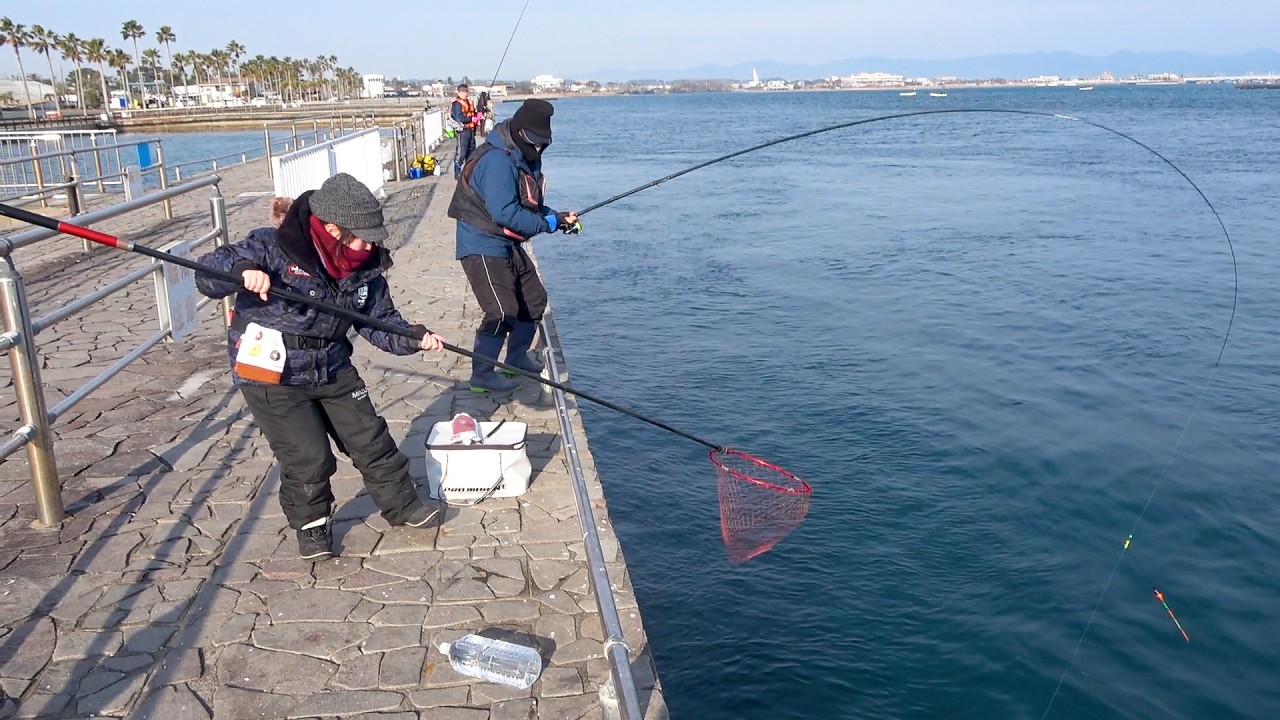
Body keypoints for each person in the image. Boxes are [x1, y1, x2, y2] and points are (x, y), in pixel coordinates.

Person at [194, 173, 448, 560]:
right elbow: (209, 271)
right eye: (363, 235)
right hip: (271, 371)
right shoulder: (270, 245)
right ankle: (311, 525)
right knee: (308, 456)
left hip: (331, 361)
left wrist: (414, 338)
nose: (370, 244)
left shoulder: (366, 269)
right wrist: (244, 271)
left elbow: (381, 323)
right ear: (334, 230)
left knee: (369, 437)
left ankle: (403, 505)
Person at [447, 98, 579, 393]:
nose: (539, 149)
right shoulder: (497, 160)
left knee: (534, 300)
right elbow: (504, 212)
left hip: (506, 242)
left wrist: (556, 217)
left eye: (544, 144)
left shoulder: (525, 157)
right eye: (535, 143)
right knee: (500, 310)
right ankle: (482, 374)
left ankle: (516, 358)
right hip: (481, 241)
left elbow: (527, 206)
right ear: (520, 134)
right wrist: (548, 224)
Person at [450, 83, 480, 178]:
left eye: (466, 92)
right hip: (462, 130)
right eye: (462, 92)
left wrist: (478, 116)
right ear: (458, 93)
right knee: (461, 152)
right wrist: (471, 119)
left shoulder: (469, 102)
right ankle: (457, 171)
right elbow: (458, 117)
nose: (464, 94)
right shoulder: (457, 104)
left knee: (471, 152)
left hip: (471, 130)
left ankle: (469, 172)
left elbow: (473, 113)